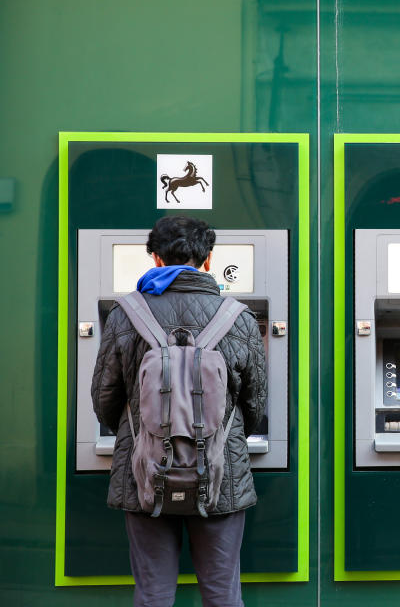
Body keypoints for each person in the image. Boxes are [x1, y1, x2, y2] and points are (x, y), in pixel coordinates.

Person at [92, 216, 266, 607]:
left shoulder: (124, 315)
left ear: (155, 260)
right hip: (220, 475)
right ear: (207, 261)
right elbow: (255, 403)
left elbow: (104, 398)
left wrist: (139, 432)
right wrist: (218, 436)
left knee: (153, 594)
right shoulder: (238, 317)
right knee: (222, 594)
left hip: (145, 473)